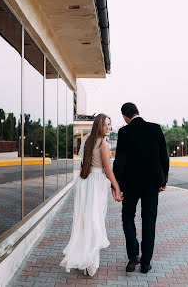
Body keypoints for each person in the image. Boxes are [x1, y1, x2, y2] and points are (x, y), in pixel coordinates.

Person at [60, 114, 123, 276]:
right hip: (96, 183)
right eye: (105, 125)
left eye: (110, 124)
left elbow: (83, 164)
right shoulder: (104, 144)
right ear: (98, 126)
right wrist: (116, 186)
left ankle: (87, 259)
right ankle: (91, 263)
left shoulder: (87, 139)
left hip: (85, 182)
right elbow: (107, 169)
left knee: (85, 220)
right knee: (95, 220)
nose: (108, 127)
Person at [112, 102, 169, 274]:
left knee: (127, 216)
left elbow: (120, 160)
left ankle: (133, 256)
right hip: (152, 184)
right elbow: (164, 157)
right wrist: (163, 180)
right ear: (138, 112)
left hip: (130, 185)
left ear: (124, 116)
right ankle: (146, 263)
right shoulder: (155, 129)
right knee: (149, 220)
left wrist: (116, 185)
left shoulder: (124, 132)